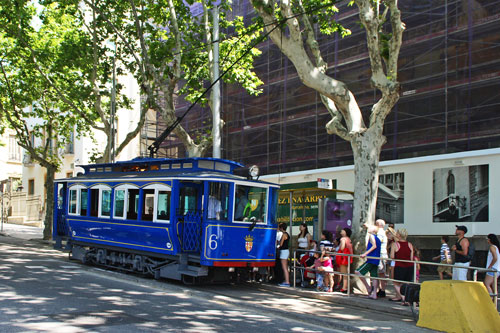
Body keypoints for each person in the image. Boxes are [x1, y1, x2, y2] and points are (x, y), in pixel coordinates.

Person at [355, 224, 381, 300]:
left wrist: (365, 254)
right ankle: (374, 294)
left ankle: (368, 288)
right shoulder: (378, 238)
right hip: (376, 259)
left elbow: (374, 246)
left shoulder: (371, 236)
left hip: (371, 259)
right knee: (374, 276)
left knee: (358, 271)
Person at [389, 228, 414, 303]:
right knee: (406, 282)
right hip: (409, 266)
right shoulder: (410, 244)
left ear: (399, 235)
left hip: (399, 265)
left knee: (396, 282)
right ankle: (400, 297)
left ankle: (403, 297)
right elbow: (411, 257)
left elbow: (392, 256)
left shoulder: (395, 244)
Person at [336, 227, 353, 293]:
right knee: (347, 272)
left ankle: (344, 287)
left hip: (343, 257)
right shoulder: (349, 239)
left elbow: (342, 247)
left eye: (343, 231)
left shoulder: (343, 239)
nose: (341, 231)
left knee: (344, 273)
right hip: (348, 257)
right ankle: (346, 287)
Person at [484, 234, 500, 301]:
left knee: (487, 284)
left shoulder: (492, 247)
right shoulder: (496, 247)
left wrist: (490, 266)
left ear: (490, 240)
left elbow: (495, 257)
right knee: (494, 285)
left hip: (492, 268)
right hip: (497, 269)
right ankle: (495, 300)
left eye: (487, 239)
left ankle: (491, 299)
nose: (487, 240)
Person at [375, 219, 388, 298]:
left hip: (380, 254)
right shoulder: (383, 232)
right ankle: (381, 289)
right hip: (382, 254)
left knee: (381, 273)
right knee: (380, 273)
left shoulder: (380, 233)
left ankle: (382, 290)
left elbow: (377, 243)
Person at [277, 222, 290, 287]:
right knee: (285, 267)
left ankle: (287, 281)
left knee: (284, 267)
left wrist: (278, 246)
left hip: (284, 251)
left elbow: (281, 244)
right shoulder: (287, 234)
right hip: (286, 251)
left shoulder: (284, 234)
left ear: (281, 228)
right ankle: (286, 281)